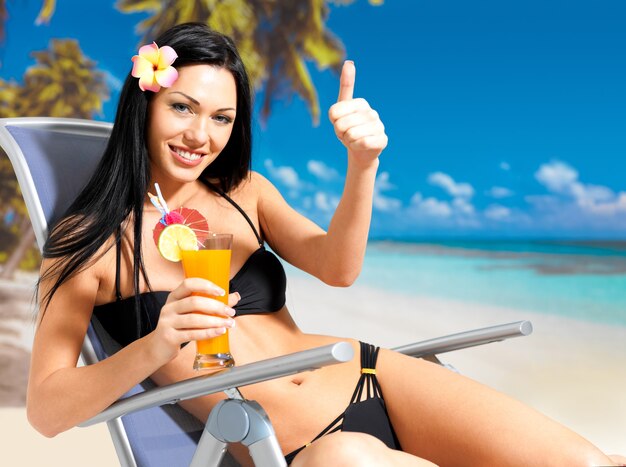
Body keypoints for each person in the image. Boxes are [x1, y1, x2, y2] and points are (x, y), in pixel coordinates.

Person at [26, 22, 623, 467]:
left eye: (222, 118)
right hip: (296, 444)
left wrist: (363, 165)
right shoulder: (90, 243)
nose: (199, 135)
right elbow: (47, 411)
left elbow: (337, 269)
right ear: (145, 104)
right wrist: (157, 344)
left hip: (370, 371)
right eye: (182, 108)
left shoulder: (245, 192)